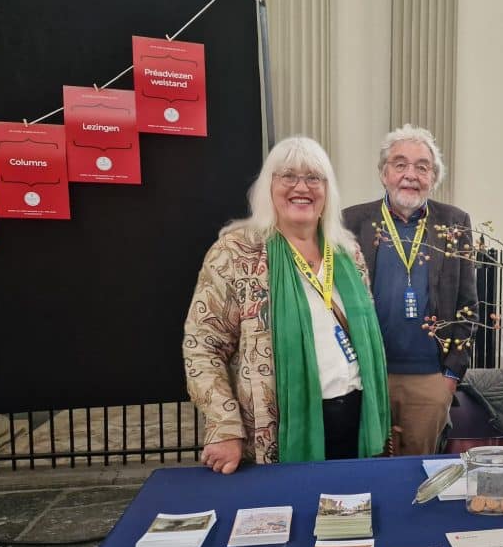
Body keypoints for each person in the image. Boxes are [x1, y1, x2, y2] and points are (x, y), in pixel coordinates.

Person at [183, 136, 390, 473]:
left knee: (351, 514)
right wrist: (224, 426)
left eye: (313, 178)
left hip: (356, 417)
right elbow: (202, 347)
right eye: (288, 176)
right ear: (269, 186)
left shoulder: (347, 254)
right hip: (279, 431)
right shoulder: (236, 253)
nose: (301, 187)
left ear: (327, 190)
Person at [343, 124, 478, 455]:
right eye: (400, 164)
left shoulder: (453, 222)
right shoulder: (351, 222)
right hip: (367, 377)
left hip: (429, 379)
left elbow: (467, 305)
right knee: (368, 463)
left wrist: (449, 377)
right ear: (383, 173)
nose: (410, 174)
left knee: (417, 470)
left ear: (433, 177)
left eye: (422, 166)